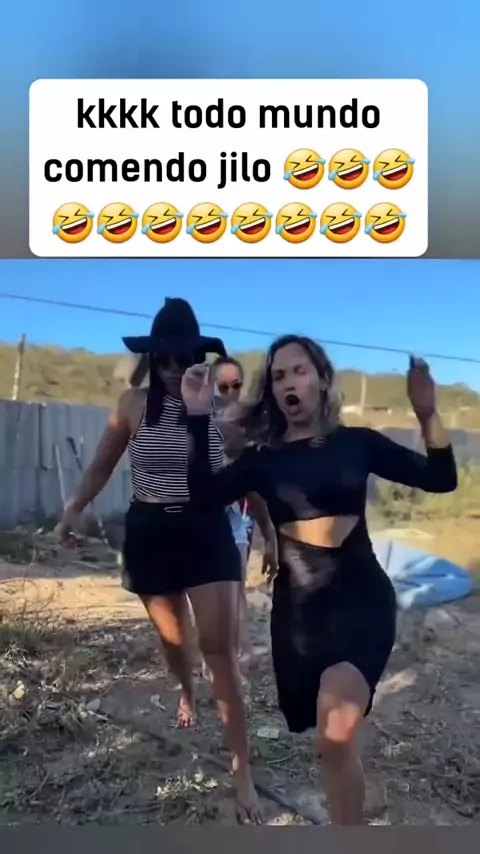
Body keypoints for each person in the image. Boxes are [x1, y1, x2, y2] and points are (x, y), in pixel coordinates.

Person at [181, 336, 457, 826]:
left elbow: (441, 477)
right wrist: (199, 416)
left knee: (335, 733)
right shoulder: (263, 460)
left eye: (299, 371)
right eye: (279, 376)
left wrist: (427, 413)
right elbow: (201, 494)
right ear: (273, 392)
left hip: (360, 601)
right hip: (301, 616)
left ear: (323, 380)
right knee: (332, 743)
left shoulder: (358, 443)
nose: (289, 382)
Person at [56, 298, 262, 823]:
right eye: (164, 357)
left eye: (183, 356)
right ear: (153, 358)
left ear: (198, 358)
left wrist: (275, 535)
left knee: (219, 649)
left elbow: (248, 478)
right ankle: (186, 691)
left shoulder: (221, 410)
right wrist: (73, 509)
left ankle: (241, 769)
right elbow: (101, 466)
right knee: (174, 640)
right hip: (150, 530)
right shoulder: (132, 404)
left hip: (206, 531)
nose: (173, 366)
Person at [211, 355, 276, 669]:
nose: (230, 392)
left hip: (236, 516)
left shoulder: (246, 426)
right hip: (196, 517)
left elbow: (254, 487)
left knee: (234, 584)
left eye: (236, 385)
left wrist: (269, 534)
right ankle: (210, 653)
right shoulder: (192, 420)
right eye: (223, 386)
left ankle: (242, 649)